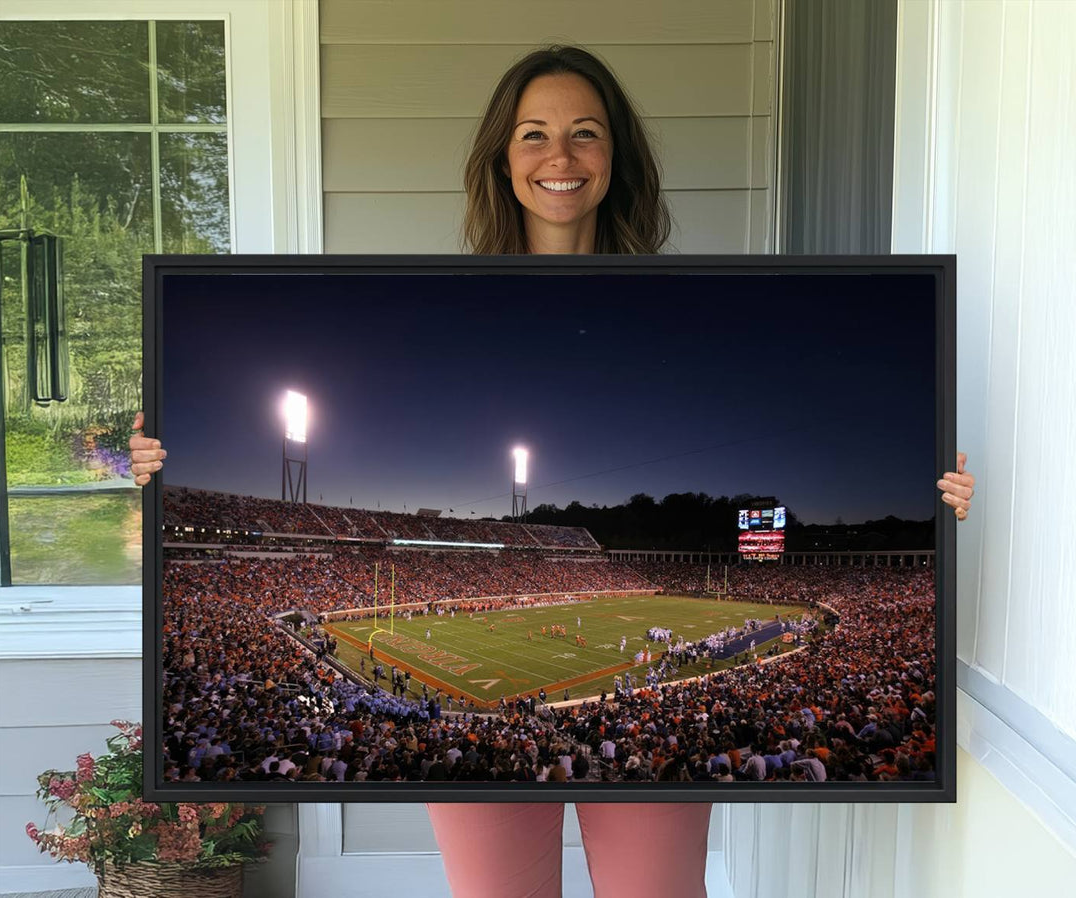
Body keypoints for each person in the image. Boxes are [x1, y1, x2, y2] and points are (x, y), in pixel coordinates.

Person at [131, 43, 976, 898]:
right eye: (533, 134)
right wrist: (159, 467)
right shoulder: (451, 306)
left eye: (585, 133)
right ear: (503, 158)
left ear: (618, 158)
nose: (559, 157)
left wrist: (934, 496)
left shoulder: (677, 306)